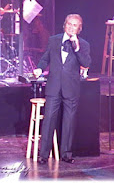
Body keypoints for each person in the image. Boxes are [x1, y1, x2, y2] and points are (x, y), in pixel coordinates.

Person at [33, 14, 91, 164]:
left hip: (71, 87)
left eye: (75, 26)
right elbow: (46, 57)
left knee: (69, 121)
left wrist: (76, 47)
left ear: (79, 29)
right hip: (54, 86)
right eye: (69, 24)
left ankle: (66, 153)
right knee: (49, 120)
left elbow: (86, 62)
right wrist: (39, 68)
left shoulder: (83, 44)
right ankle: (43, 154)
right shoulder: (54, 40)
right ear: (64, 25)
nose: (71, 28)